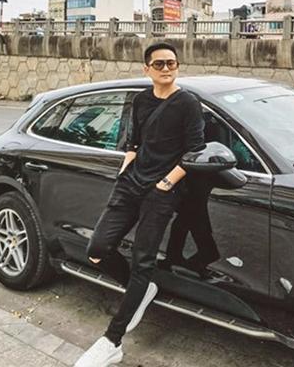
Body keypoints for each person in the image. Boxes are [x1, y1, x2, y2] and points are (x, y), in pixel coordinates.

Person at [74, 41, 205, 367]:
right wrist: (125, 172)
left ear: (177, 66)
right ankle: (141, 290)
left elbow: (195, 152)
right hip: (130, 184)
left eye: (171, 63)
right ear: (147, 69)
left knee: (142, 262)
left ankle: (112, 341)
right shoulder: (141, 100)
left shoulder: (188, 103)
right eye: (159, 64)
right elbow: (133, 143)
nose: (166, 68)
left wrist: (165, 184)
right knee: (97, 248)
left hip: (162, 191)